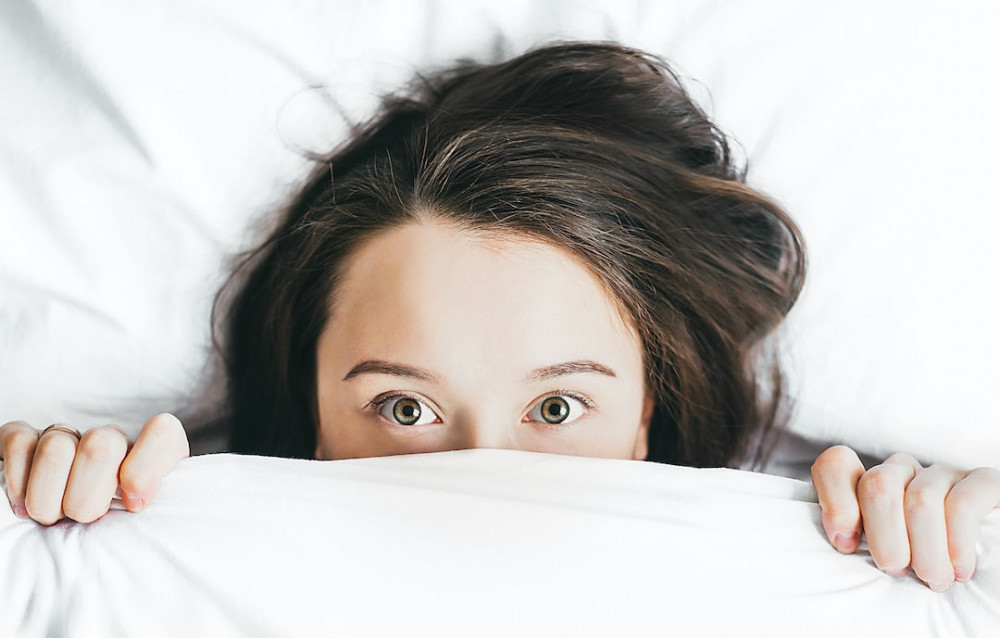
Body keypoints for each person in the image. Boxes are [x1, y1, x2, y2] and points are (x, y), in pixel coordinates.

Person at [1, 42, 997, 593]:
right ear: (308, 408)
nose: (483, 468)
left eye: (557, 408)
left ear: (652, 410)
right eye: (402, 406)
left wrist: (959, 534)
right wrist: (44, 506)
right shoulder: (156, 557)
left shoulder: (823, 559)